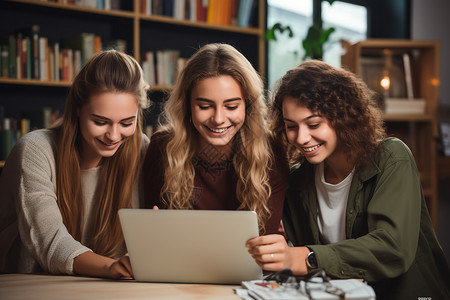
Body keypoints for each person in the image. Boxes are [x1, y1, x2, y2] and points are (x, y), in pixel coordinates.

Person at [246, 60, 450, 299]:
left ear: (342, 116)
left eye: (313, 124)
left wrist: (307, 257)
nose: (301, 138)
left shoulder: (392, 158)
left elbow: (392, 247)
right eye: (291, 126)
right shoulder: (298, 180)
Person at [0, 50, 150, 279]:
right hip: (29, 286)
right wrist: (111, 267)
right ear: (77, 109)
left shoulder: (141, 149)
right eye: (100, 122)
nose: (113, 135)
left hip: (103, 288)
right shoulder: (34, 150)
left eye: (127, 122)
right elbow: (50, 241)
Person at [142, 43, 289, 235]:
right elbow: (155, 234)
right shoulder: (162, 147)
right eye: (205, 106)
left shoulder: (271, 151)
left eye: (231, 106)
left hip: (249, 263)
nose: (218, 119)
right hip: (181, 263)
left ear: (248, 105)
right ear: (187, 105)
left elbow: (262, 241)